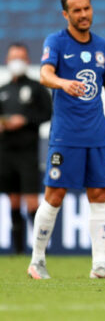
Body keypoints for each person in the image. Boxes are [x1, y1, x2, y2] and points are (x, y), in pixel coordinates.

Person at [28, 0, 105, 280]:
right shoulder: (57, 42)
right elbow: (44, 74)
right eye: (77, 10)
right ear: (66, 14)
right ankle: (37, 261)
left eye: (86, 8)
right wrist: (62, 83)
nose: (84, 14)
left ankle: (99, 265)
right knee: (55, 194)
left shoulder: (104, 47)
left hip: (97, 135)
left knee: (99, 193)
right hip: (66, 135)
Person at [0, 43, 52, 254]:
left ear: (28, 60)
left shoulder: (37, 88)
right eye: (13, 57)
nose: (17, 61)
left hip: (27, 153)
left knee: (32, 202)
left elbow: (47, 114)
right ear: (7, 60)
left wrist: (26, 120)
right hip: (5, 152)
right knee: (13, 201)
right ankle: (18, 251)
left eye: (20, 57)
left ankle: (41, 250)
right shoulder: (3, 91)